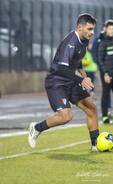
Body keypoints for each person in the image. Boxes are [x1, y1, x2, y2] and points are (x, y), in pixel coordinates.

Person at [28, 14, 99, 152]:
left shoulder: (83, 41)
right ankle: (36, 128)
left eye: (93, 29)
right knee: (66, 116)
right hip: (57, 81)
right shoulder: (70, 42)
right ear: (79, 27)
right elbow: (61, 68)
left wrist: (85, 76)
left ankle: (96, 145)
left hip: (71, 80)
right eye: (89, 29)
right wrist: (81, 79)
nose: (92, 32)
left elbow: (76, 61)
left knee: (91, 108)